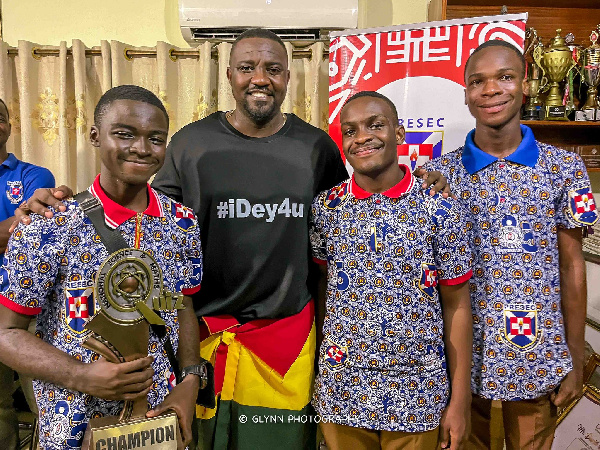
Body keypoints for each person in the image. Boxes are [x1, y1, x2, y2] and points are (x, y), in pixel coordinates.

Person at [14, 29, 451, 449]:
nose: (260, 78)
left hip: (286, 342)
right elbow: (137, 214)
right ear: (229, 76)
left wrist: (422, 181)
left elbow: (350, 213)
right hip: (202, 340)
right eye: (247, 67)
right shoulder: (189, 144)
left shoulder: (317, 147)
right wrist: (62, 203)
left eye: (273, 68)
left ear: (288, 77)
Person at [0, 85, 204, 450]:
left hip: (160, 422)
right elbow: (6, 333)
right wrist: (80, 376)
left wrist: (190, 380)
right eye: (124, 134)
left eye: (155, 138)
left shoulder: (182, 223)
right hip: (74, 426)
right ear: (95, 135)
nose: (141, 148)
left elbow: (184, 305)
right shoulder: (50, 225)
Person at [425, 40, 597, 449]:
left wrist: (574, 356)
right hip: (465, 358)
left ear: (526, 84)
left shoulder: (563, 168)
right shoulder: (438, 173)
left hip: (538, 353)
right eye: (477, 81)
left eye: (504, 77)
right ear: (465, 94)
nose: (490, 90)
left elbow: (572, 265)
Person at [310, 91, 473, 450]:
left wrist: (460, 402)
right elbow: (323, 288)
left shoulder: (440, 207)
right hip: (343, 391)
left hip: (417, 393)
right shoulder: (327, 207)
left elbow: (458, 306)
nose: (362, 137)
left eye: (375, 125)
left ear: (399, 134)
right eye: (350, 131)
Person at [0, 98, 55, 450]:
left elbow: (25, 232)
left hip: (24, 308)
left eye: (0, 117)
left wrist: (13, 229)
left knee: (47, 403)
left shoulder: (34, 176)